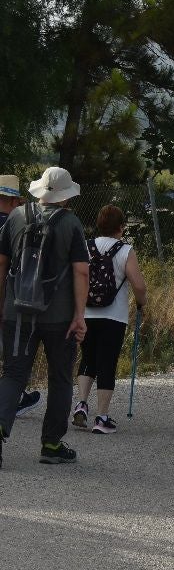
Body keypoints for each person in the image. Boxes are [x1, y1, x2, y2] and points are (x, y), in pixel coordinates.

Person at [0, 167, 89, 466]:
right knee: (61, 378)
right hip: (59, 317)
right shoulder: (71, 223)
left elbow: (1, 263)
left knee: (13, 374)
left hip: (17, 312)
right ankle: (51, 444)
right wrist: (80, 315)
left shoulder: (16, 217)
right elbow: (81, 271)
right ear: (65, 197)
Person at [72, 205, 148, 434]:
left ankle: (82, 404)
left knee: (88, 359)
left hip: (86, 312)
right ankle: (101, 418)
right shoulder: (125, 250)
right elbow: (139, 285)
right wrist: (141, 302)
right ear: (121, 227)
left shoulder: (86, 246)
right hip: (114, 316)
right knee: (107, 363)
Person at [0, 174, 43, 421]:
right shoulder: (17, 226)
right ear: (15, 201)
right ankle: (14, 399)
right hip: (10, 296)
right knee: (11, 359)